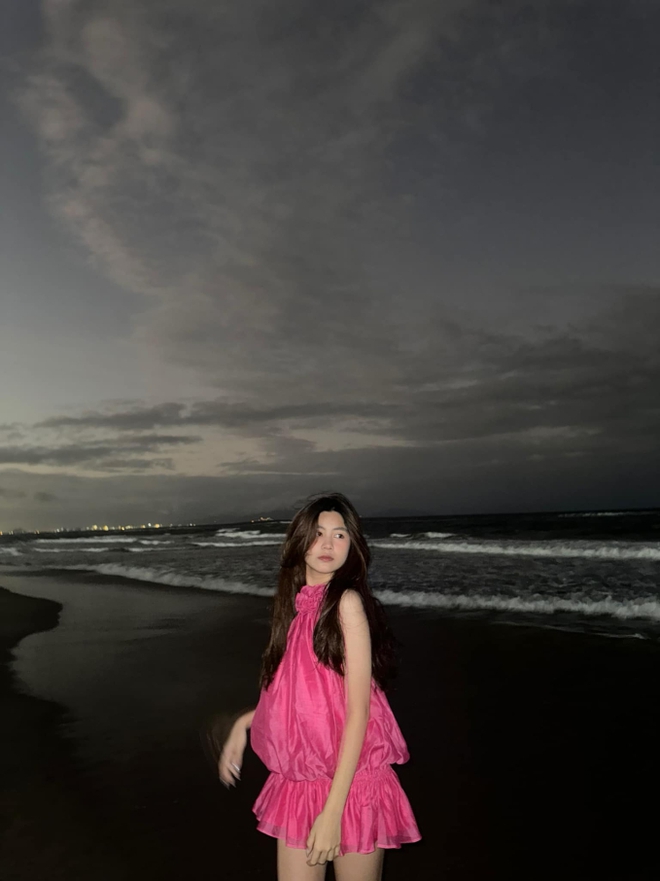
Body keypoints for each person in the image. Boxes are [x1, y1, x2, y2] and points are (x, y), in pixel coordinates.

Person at [218, 492, 420, 880]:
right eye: (318, 533)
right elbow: (302, 699)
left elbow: (358, 712)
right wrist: (245, 722)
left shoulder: (346, 603)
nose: (327, 544)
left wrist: (332, 813)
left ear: (352, 545)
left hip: (352, 785)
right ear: (300, 542)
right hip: (303, 782)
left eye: (339, 534)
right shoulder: (298, 610)